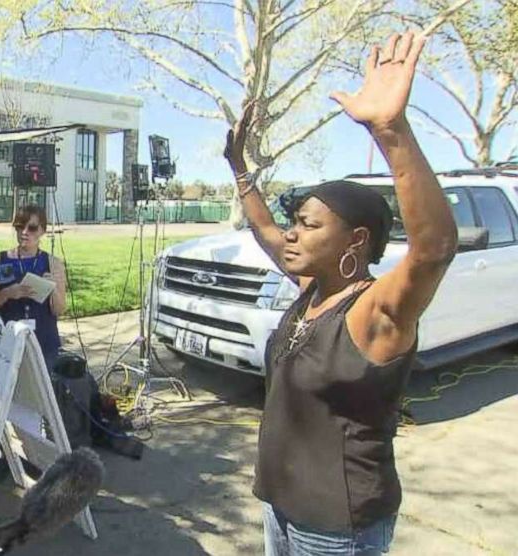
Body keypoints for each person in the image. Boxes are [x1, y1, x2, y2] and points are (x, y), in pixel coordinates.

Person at [224, 32, 458, 555]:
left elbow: (435, 248)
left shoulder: (376, 313)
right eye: (294, 223)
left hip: (334, 526)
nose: (291, 234)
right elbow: (265, 233)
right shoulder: (314, 289)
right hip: (279, 505)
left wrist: (389, 130)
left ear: (354, 241)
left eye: (307, 225)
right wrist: (239, 170)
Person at [0, 205, 67, 371]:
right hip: (9, 339)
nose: (25, 232)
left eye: (32, 228)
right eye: (20, 227)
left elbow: (59, 309)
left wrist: (54, 289)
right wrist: (7, 293)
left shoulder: (53, 264)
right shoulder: (1, 260)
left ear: (43, 230)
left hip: (44, 340)